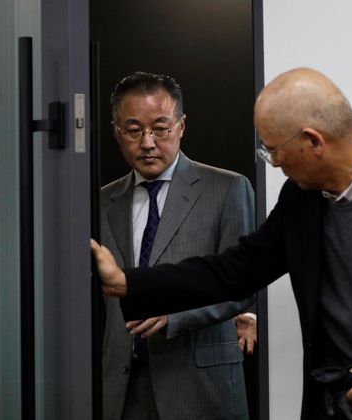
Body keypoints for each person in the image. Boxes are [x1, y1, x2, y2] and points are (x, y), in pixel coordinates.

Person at [92, 68, 352, 420]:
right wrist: (130, 283)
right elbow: (233, 270)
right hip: (336, 402)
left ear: (313, 141)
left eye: (273, 149)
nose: (274, 162)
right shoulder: (302, 199)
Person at [100, 71, 257, 420]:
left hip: (199, 385)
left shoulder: (227, 190)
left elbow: (243, 287)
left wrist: (174, 315)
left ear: (181, 126)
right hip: (123, 389)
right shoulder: (102, 202)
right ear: (117, 132)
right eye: (134, 130)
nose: (148, 142)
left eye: (161, 128)